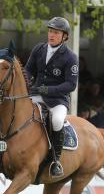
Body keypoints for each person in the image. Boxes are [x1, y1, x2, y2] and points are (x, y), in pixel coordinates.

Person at [25, 17, 79, 177]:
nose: (51, 35)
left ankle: (56, 160)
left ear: (65, 37)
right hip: (36, 94)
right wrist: (26, 83)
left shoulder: (70, 57)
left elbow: (71, 85)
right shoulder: (39, 49)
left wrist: (47, 90)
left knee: (56, 121)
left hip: (58, 100)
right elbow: (28, 70)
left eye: (55, 32)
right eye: (50, 31)